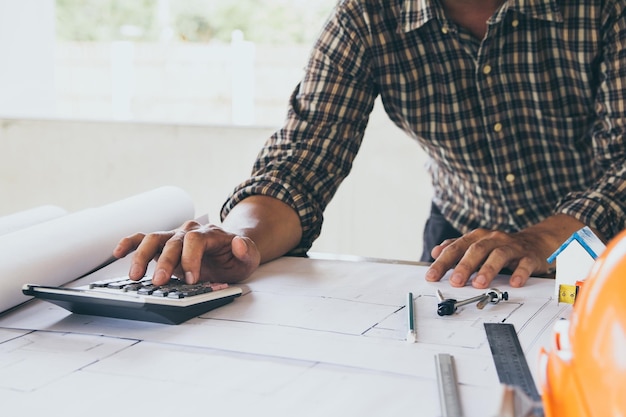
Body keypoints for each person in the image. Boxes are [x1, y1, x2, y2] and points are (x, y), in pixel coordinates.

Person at [113, 0, 626, 290]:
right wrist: (238, 238)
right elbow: (300, 163)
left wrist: (539, 242)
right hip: (463, 244)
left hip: (608, 241)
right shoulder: (366, 19)